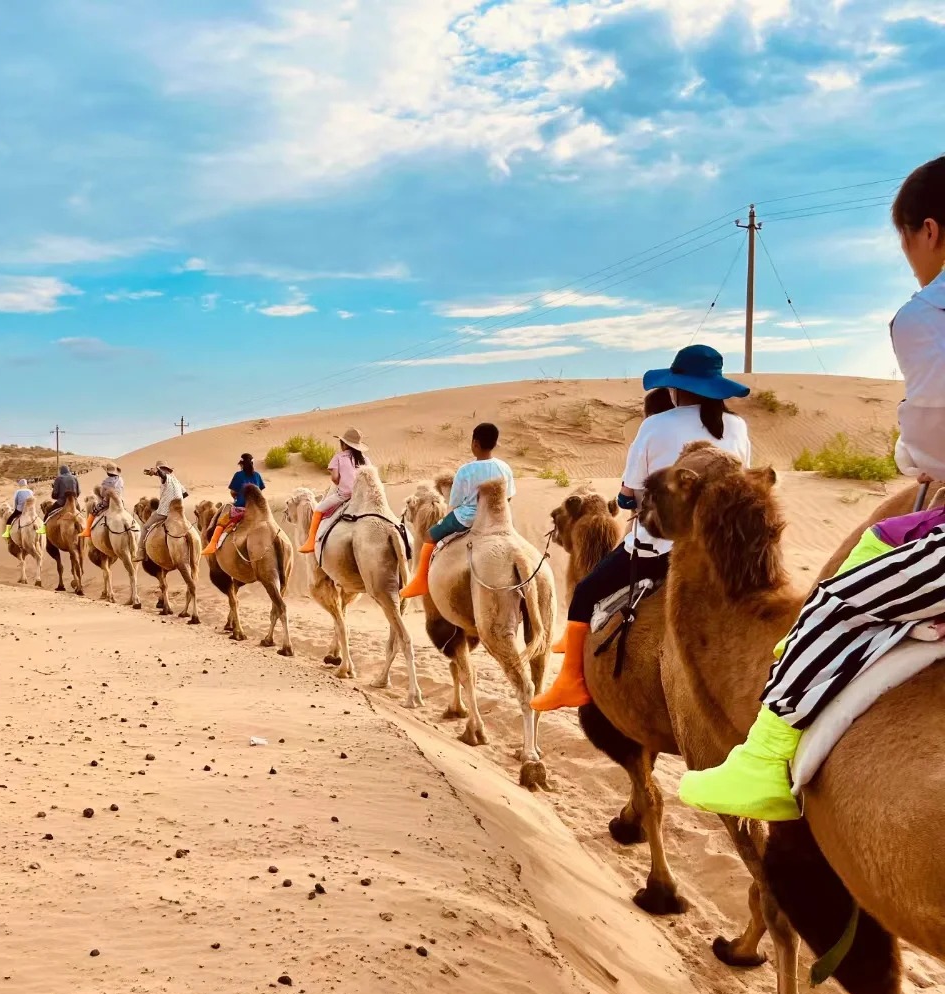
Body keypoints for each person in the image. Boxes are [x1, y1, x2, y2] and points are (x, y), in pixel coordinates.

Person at [678, 155, 945, 821]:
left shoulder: (924, 314)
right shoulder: (737, 429)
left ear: (929, 231)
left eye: (906, 242)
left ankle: (765, 759)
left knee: (835, 598)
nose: (910, 258)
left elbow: (929, 442)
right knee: (881, 540)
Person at [530, 344, 751, 713]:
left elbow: (628, 495)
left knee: (585, 591)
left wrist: (630, 498)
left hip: (660, 549)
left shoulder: (656, 425)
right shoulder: (738, 427)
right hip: (723, 552)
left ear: (676, 388)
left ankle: (569, 682)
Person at [399, 423, 514, 598]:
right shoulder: (504, 467)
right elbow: (509, 497)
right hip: (496, 519)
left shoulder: (465, 470)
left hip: (466, 518)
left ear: (475, 443)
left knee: (429, 536)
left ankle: (421, 581)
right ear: (495, 444)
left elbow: (456, 502)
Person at [298, 428, 370, 553]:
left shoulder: (338, 457)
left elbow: (335, 478)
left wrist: (341, 483)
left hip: (344, 495)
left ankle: (310, 542)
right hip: (363, 496)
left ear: (344, 444)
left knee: (318, 510)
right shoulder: (365, 459)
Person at [204, 453, 266, 556]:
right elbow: (260, 492)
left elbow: (233, 492)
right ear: (252, 464)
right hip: (257, 511)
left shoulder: (238, 475)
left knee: (222, 522)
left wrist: (237, 498)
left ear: (241, 464)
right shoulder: (257, 475)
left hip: (241, 509)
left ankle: (212, 544)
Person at [142, 461, 187, 540]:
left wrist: (157, 470)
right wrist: (174, 500)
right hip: (178, 512)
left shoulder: (166, 478)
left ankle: (140, 547)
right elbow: (185, 494)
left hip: (165, 512)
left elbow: (162, 475)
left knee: (145, 527)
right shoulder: (175, 480)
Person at [85, 463, 125, 537]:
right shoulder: (121, 479)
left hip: (107, 502)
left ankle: (87, 531)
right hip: (120, 501)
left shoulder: (106, 481)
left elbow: (102, 494)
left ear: (107, 472)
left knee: (93, 512)